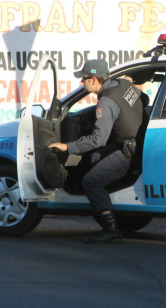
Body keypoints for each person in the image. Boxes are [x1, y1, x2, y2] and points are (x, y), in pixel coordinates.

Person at [49, 59, 146, 244]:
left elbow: (98, 139)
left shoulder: (106, 102)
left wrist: (68, 146)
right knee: (93, 158)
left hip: (130, 152)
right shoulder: (123, 83)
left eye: (83, 78)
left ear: (94, 80)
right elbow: (145, 100)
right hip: (140, 142)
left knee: (91, 181)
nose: (81, 82)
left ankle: (111, 230)